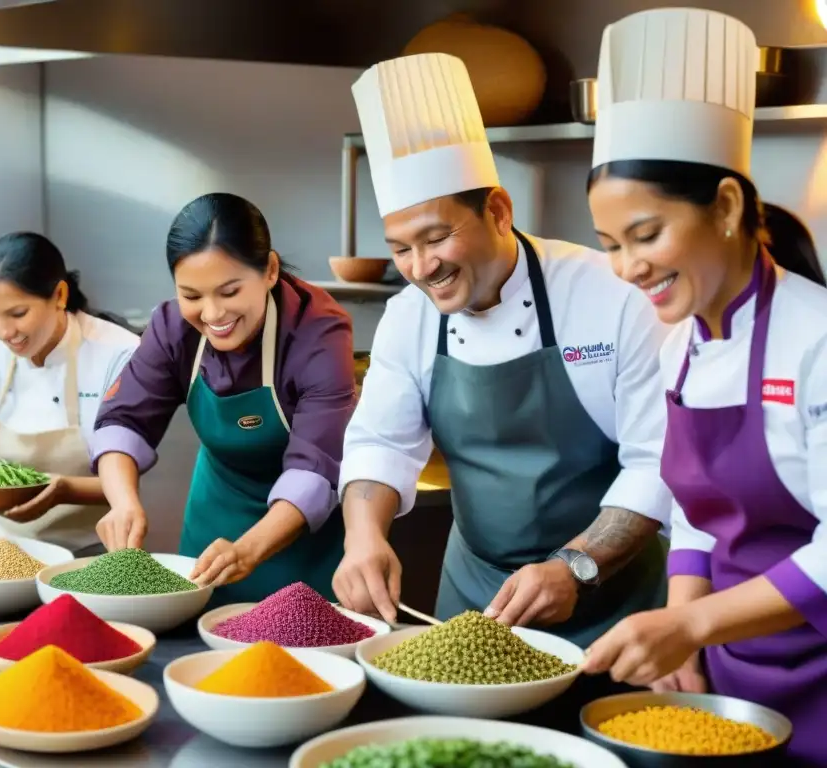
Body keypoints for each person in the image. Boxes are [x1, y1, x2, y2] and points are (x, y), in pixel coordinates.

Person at [332, 51, 673, 649]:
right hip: (474, 601)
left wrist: (576, 566)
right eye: (400, 249)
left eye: (436, 238)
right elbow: (380, 441)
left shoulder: (613, 296)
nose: (421, 268)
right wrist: (363, 537)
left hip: (614, 604)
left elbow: (657, 462)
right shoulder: (408, 318)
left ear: (497, 210)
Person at [579, 9, 827, 766]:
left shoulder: (817, 338)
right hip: (728, 676)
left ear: (724, 206)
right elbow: (696, 512)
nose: (627, 269)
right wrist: (683, 636)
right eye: (611, 246)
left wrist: (692, 626)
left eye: (646, 235)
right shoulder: (679, 343)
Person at [90, 192, 356, 604]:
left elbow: (318, 467)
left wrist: (249, 550)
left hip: (303, 537)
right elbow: (123, 421)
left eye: (229, 292)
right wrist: (123, 503)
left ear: (269, 270)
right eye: (192, 296)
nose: (212, 314)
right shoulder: (171, 327)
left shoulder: (317, 331)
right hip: (214, 517)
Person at [0, 232, 140, 553]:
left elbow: (130, 478)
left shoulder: (118, 353)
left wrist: (64, 489)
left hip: (93, 553)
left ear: (59, 295)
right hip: (2, 554)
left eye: (17, 314)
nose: (4, 333)